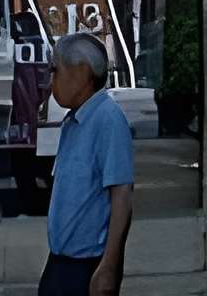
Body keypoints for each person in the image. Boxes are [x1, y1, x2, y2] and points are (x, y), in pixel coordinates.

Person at [41, 30, 136, 296]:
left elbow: (122, 197)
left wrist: (108, 266)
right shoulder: (74, 121)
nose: (51, 81)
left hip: (88, 265)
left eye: (55, 71)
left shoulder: (107, 118)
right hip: (61, 261)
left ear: (82, 73)